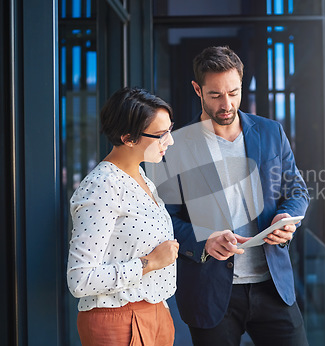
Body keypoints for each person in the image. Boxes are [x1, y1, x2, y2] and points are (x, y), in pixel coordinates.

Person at [155, 46, 310, 345]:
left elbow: (296, 190)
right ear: (197, 89)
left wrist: (286, 217)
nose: (227, 104)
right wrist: (204, 241)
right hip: (210, 294)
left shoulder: (270, 132)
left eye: (233, 92)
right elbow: (164, 219)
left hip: (273, 287)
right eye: (215, 95)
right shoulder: (175, 147)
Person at [66, 87, 179, 346]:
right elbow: (80, 279)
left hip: (154, 312)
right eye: (161, 135)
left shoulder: (142, 179)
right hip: (119, 320)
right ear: (128, 138)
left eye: (170, 130)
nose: (170, 141)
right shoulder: (102, 186)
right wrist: (149, 263)